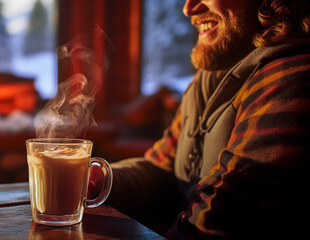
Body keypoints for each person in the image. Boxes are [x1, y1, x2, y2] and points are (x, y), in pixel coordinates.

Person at [89, 0, 310, 239]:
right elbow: (164, 172)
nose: (189, 8)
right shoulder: (206, 80)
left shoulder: (289, 81)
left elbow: (216, 224)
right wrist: (94, 180)